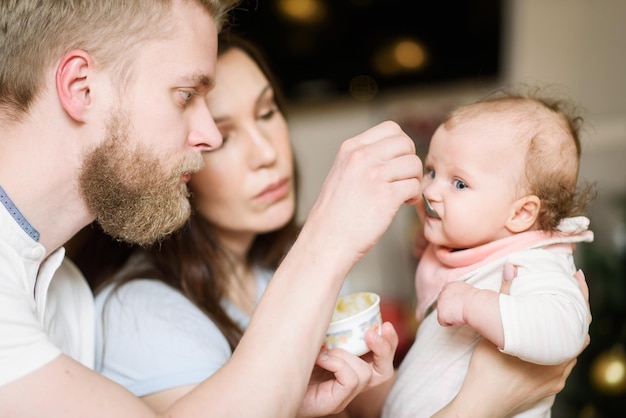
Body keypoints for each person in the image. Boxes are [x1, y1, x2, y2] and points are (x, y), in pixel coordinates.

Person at [0, 0, 587, 415]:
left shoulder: (64, 290)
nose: (206, 136)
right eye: (186, 96)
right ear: (80, 86)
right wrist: (485, 402)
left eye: (264, 111)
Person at [90, 33, 398, 415]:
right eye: (224, 137)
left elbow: (398, 409)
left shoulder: (287, 262)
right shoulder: (141, 313)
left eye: (267, 112)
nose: (267, 153)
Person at [382, 87, 595, 417]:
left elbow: (566, 331)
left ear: (521, 214)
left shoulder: (532, 262)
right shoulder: (479, 248)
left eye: (459, 183)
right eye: (432, 171)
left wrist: (473, 303)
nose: (431, 189)